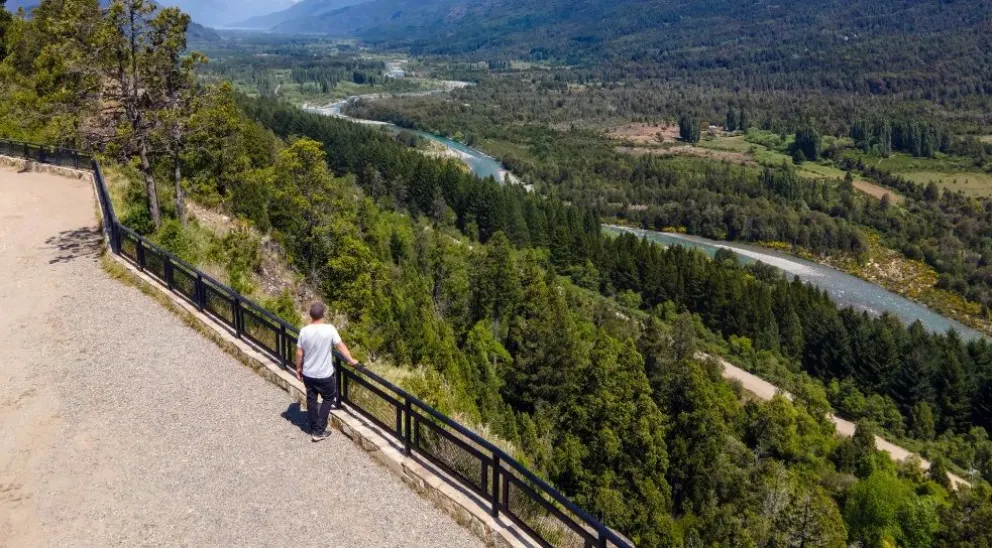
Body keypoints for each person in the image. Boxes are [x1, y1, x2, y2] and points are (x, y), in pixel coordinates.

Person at [295, 302, 358, 442]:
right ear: (323, 315)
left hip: (308, 373)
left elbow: (299, 353)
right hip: (324, 374)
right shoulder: (329, 329)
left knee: (311, 399)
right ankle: (318, 430)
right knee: (329, 398)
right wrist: (351, 360)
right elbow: (340, 346)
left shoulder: (304, 331)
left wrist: (298, 368)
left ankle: (313, 425)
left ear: (311, 315)